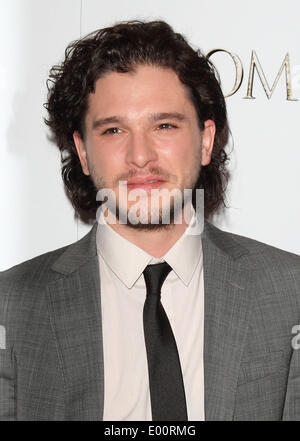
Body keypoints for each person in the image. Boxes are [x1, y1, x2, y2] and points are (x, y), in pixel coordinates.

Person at [0, 19, 299, 422]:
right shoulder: (10, 306)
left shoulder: (290, 294)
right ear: (83, 152)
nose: (140, 155)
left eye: (164, 126)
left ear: (206, 140)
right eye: (113, 130)